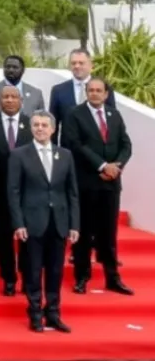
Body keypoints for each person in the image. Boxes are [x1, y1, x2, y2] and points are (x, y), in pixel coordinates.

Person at [60, 76, 134, 295]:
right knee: (84, 232)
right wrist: (102, 166)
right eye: (90, 90)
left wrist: (116, 166)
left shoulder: (114, 114)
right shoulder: (74, 114)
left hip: (111, 184)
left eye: (98, 90)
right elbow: (74, 144)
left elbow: (125, 144)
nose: (94, 93)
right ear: (86, 92)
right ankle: (82, 277)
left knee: (109, 233)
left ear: (106, 94)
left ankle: (113, 278)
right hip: (87, 183)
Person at [7, 111, 78, 333]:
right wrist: (18, 223)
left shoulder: (65, 155)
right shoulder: (19, 155)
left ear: (53, 129)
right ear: (31, 128)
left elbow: (72, 192)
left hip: (59, 221)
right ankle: (35, 312)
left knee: (56, 271)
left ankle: (54, 313)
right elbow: (13, 191)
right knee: (34, 271)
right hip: (32, 223)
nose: (40, 128)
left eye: (44, 125)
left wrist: (74, 224)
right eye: (36, 125)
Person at [0, 85, 33, 296]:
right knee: (3, 237)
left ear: (21, 100)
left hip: (29, 193)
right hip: (0, 193)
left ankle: (28, 277)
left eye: (13, 97)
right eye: (5, 97)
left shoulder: (33, 124)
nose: (9, 100)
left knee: (28, 237)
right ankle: (8, 277)